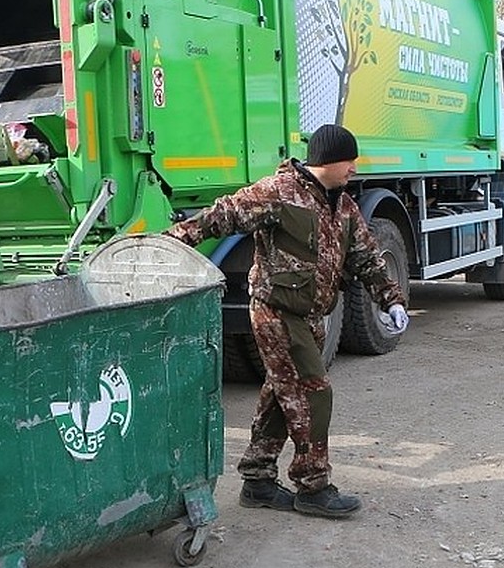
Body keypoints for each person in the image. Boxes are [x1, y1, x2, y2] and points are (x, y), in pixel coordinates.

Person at [165, 124, 408, 520]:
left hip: (312, 315)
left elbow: (365, 257)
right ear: (328, 160)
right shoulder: (279, 191)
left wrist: (391, 299)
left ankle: (258, 480)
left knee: (282, 394)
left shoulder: (343, 205)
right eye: (350, 159)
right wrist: (170, 242)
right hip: (276, 311)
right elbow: (223, 216)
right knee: (313, 392)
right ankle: (314, 485)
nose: (355, 167)